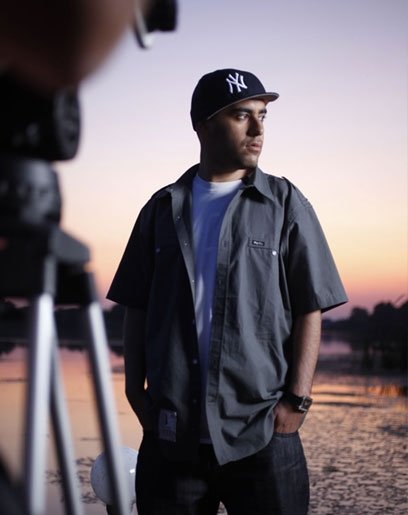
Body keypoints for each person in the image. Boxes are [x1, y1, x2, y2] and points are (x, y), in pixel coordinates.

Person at [107, 68, 348, 515]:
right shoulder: (160, 209)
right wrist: (135, 394)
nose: (258, 130)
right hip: (171, 436)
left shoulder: (285, 204)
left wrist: (296, 401)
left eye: (263, 116)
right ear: (202, 124)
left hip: (263, 434)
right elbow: (135, 307)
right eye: (241, 115)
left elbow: (310, 307)